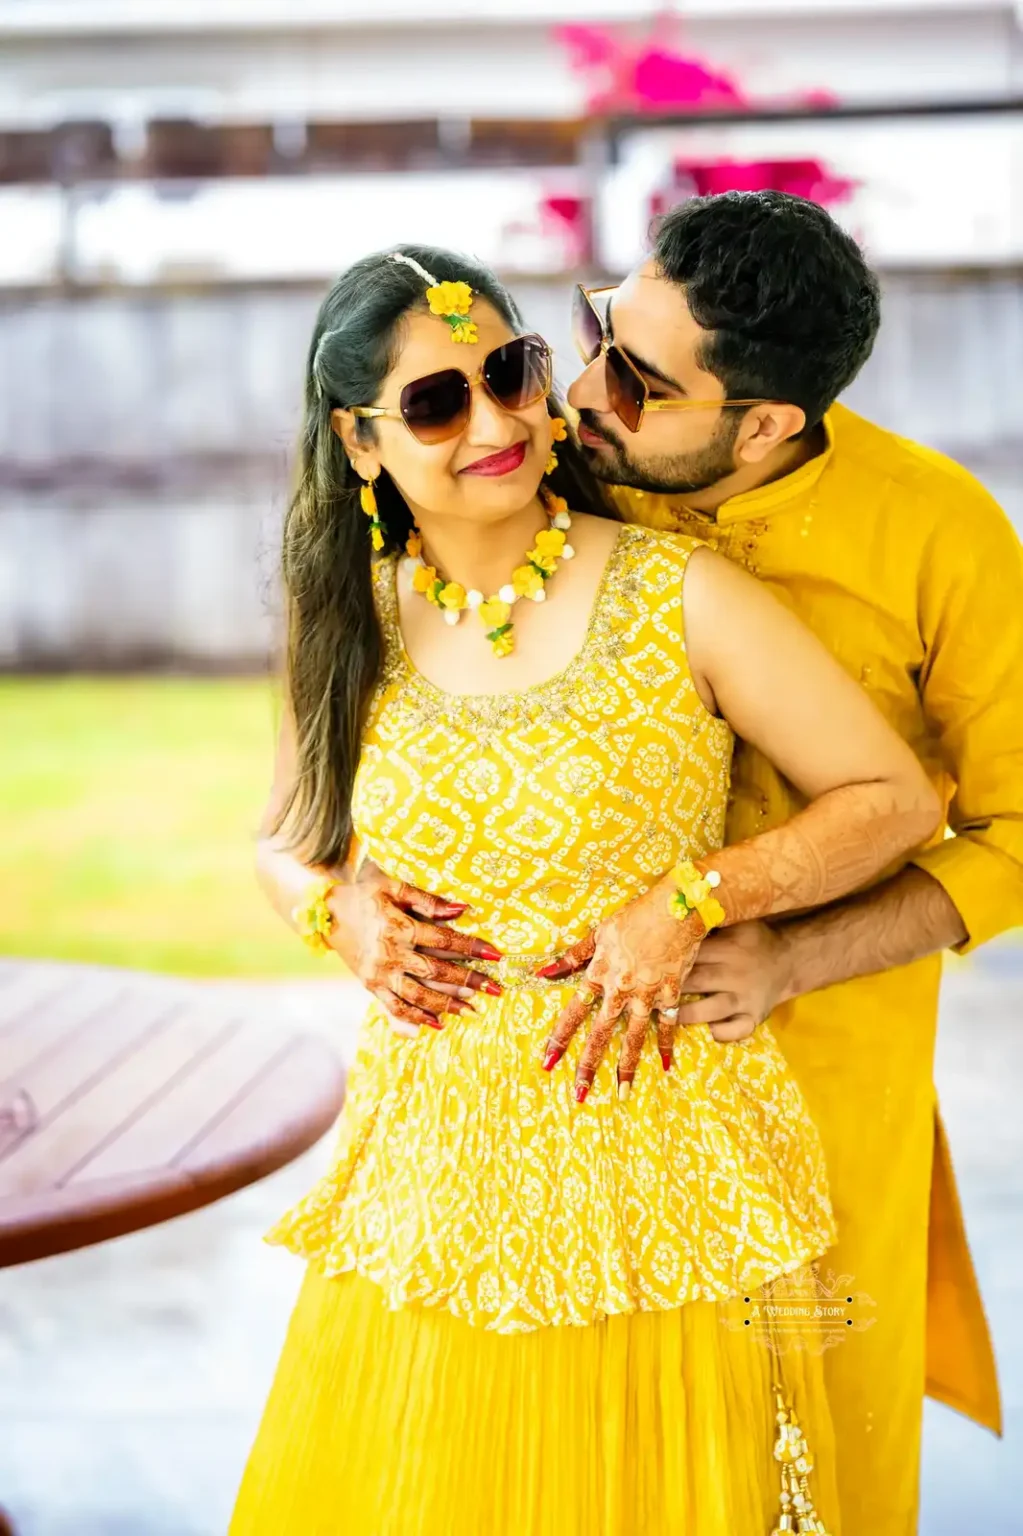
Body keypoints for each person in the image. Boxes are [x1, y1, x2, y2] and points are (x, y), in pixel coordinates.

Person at [228, 244, 940, 1536]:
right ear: (359, 441)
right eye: (438, 403)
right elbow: (284, 838)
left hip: (662, 1183)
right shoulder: (346, 617)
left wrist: (697, 896)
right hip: (431, 1195)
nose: (498, 423)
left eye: (511, 372)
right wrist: (326, 908)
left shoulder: (680, 594)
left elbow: (893, 800)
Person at [564, 190, 1023, 1535]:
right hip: (575, 1067)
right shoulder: (560, 474)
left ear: (765, 423)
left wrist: (792, 953)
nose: (586, 391)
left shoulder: (941, 535)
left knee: (815, 1452)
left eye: (639, 380)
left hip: (827, 1069)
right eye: (600, 332)